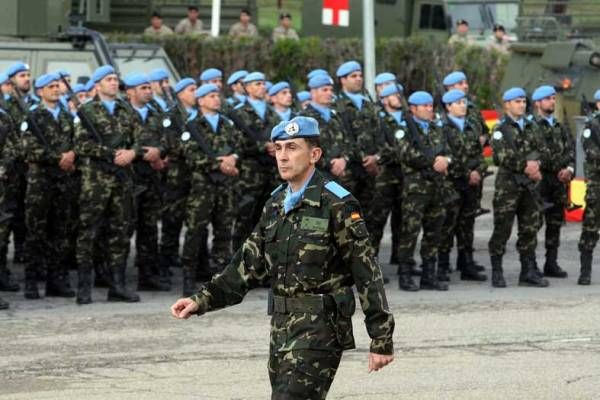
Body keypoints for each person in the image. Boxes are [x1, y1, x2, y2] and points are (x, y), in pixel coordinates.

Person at [171, 116, 394, 399]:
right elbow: (246, 264)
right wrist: (201, 300)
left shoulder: (336, 203)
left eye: (292, 147)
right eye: (278, 149)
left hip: (320, 328)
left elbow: (366, 272)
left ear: (314, 154)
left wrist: (381, 338)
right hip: (281, 327)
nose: (283, 157)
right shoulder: (276, 204)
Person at [73, 65, 145, 304]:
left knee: (120, 233)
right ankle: (84, 288)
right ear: (98, 85)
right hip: (96, 182)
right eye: (109, 80)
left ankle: (117, 286)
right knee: (89, 233)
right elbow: (81, 144)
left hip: (122, 181)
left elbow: (140, 139)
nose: (114, 83)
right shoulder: (87, 111)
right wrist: (111, 153)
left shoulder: (127, 111)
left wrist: (132, 154)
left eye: (115, 79)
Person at [180, 83, 241, 296]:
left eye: (218, 95)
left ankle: (220, 279)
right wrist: (219, 164)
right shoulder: (192, 126)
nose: (217, 99)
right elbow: (190, 156)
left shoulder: (227, 124)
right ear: (201, 100)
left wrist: (233, 158)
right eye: (212, 96)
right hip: (202, 188)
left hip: (225, 186)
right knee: (195, 231)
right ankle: (189, 276)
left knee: (224, 231)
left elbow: (238, 146)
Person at [21, 73, 77, 299]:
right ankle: (32, 282)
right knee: (36, 234)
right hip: (40, 183)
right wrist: (58, 158)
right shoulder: (33, 116)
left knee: (60, 233)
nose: (56, 89)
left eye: (58, 86)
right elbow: (28, 148)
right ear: (40, 91)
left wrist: (72, 154)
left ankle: (57, 280)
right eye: (51, 86)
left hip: (63, 183)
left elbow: (79, 141)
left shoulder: (67, 116)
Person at [488, 87, 549, 288]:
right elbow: (500, 156)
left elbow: (543, 150)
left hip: (530, 186)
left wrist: (537, 165)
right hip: (508, 187)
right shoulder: (500, 129)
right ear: (507, 104)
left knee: (529, 229)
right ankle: (497, 270)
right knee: (502, 229)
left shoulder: (532, 126)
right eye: (517, 101)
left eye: (523, 101)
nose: (521, 105)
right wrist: (526, 166)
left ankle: (528, 270)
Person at [396, 91, 452, 292]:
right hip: (416, 190)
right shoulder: (404, 130)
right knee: (410, 232)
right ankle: (405, 275)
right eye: (425, 106)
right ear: (413, 109)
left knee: (434, 232)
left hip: (436, 187)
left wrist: (446, 161)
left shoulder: (437, 128)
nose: (430, 109)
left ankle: (429, 275)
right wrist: (432, 161)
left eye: (431, 105)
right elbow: (405, 153)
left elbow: (448, 151)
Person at [123, 73, 170, 292]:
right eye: (143, 88)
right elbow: (120, 143)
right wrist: (145, 153)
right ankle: (117, 277)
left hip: (152, 179)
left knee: (149, 229)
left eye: (149, 88)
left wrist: (160, 152)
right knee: (123, 229)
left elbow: (167, 140)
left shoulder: (156, 114)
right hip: (129, 178)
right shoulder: (121, 113)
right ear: (130, 91)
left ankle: (147, 276)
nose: (148, 91)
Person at [438, 89, 487, 282]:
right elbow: (447, 156)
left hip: (471, 184)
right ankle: (442, 266)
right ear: (448, 106)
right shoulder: (442, 128)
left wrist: (479, 171)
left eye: (464, 102)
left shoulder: (472, 126)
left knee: (468, 225)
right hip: (451, 184)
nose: (462, 105)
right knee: (447, 226)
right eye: (458, 103)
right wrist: (468, 173)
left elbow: (479, 155)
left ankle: (466, 263)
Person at [229, 72, 279, 251]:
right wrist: (262, 146)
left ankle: (261, 256)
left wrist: (278, 146)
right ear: (247, 88)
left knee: (267, 217)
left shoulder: (272, 113)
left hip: (270, 172)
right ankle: (239, 257)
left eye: (263, 83)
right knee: (245, 217)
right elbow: (236, 142)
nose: (262, 87)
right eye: (257, 84)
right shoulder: (239, 113)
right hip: (249, 174)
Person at [532, 85, 574, 279]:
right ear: (538, 103)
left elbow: (571, 151)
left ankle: (551, 262)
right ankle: (530, 265)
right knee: (532, 224)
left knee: (555, 224)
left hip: (558, 183)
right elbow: (540, 154)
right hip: (540, 183)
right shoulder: (531, 126)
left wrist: (569, 170)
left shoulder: (560, 126)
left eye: (553, 98)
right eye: (547, 99)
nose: (552, 102)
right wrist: (559, 167)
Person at [334, 61, 382, 221]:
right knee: (347, 218)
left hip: (371, 170)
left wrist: (376, 158)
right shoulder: (336, 105)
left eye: (360, 75)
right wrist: (361, 158)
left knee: (368, 218)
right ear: (343, 80)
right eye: (353, 76)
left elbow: (379, 135)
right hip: (349, 171)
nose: (359, 79)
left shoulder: (368, 105)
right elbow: (340, 138)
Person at [576, 89, 600, 285]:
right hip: (597, 185)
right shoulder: (590, 127)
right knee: (591, 227)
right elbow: (592, 153)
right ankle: (585, 271)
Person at [0, 72, 20, 294]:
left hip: (2, 183)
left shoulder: (4, 117)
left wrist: (3, 167)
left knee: (2, 233)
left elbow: (14, 146)